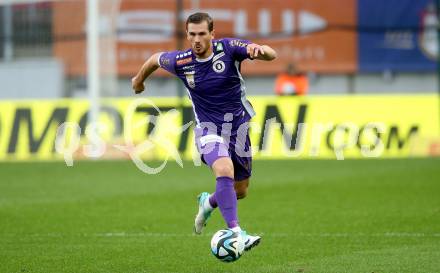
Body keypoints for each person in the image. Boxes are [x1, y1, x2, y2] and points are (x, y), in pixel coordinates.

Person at [132, 12, 277, 251]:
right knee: (224, 169)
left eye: (201, 34)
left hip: (238, 130)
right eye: (192, 34)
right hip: (208, 129)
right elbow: (155, 59)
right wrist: (139, 80)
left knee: (239, 191)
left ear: (212, 33)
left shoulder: (230, 49)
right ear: (187, 35)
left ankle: (207, 203)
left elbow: (271, 54)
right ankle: (236, 233)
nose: (197, 39)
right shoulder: (181, 61)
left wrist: (260, 49)